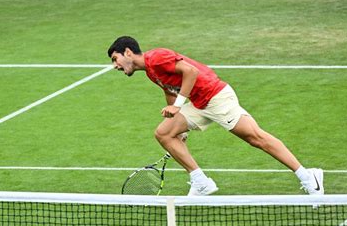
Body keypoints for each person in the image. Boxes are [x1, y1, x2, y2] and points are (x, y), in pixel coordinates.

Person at [107, 36, 324, 196]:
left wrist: (179, 106)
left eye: (115, 59)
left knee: (255, 137)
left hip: (216, 97)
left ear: (128, 52)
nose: (115, 65)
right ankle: (200, 181)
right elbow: (169, 90)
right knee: (164, 133)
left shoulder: (156, 57)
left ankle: (309, 176)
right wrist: (176, 121)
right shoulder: (151, 72)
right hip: (199, 103)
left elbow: (191, 71)